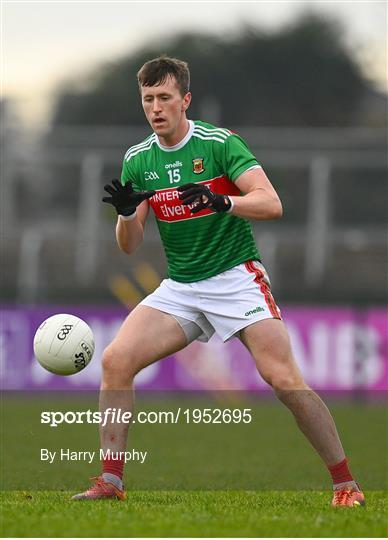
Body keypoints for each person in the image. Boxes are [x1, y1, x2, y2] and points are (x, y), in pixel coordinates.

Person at [72, 56, 365, 507]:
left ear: (185, 100)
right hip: (183, 286)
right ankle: (110, 481)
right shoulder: (138, 159)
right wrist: (127, 214)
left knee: (282, 378)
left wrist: (223, 201)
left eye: (165, 98)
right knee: (115, 360)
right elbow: (129, 245)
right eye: (148, 99)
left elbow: (271, 203)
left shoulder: (219, 143)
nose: (156, 107)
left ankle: (345, 483)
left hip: (235, 278)